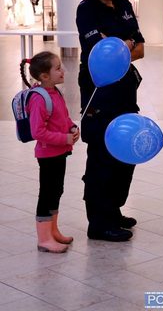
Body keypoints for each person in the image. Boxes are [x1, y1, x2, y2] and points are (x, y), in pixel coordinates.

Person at [76, 0, 145, 242]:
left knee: (124, 148)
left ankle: (114, 210)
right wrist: (124, 43)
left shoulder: (124, 6)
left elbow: (140, 48)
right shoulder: (86, 9)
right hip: (98, 89)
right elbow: (101, 53)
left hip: (125, 88)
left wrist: (122, 45)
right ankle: (99, 222)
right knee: (102, 155)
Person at [20, 51, 80, 253]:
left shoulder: (55, 92)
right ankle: (44, 238)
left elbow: (61, 118)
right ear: (44, 76)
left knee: (56, 190)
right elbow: (38, 131)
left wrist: (71, 127)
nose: (63, 70)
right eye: (58, 68)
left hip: (59, 152)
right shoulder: (39, 99)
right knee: (47, 194)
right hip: (48, 155)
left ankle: (53, 231)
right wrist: (63, 138)